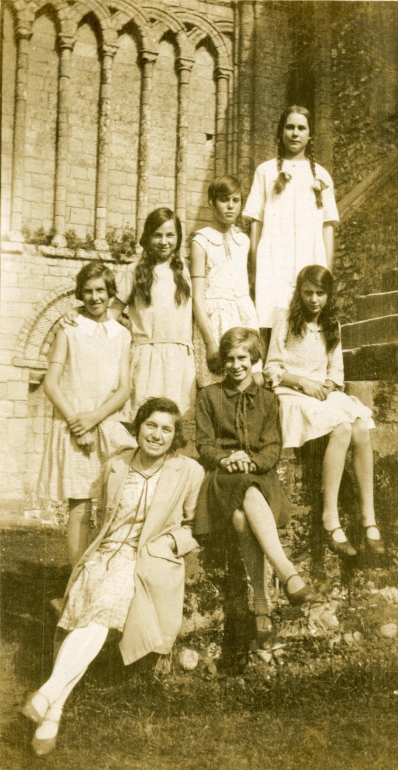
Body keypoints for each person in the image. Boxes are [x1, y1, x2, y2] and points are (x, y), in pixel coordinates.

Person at [22, 398, 204, 757]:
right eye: (151, 425)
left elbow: (194, 526)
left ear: (175, 436)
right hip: (104, 554)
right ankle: (52, 711)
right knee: (82, 620)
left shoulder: (189, 471)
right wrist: (90, 559)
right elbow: (100, 517)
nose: (157, 434)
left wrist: (168, 543)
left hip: (143, 559)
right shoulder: (116, 464)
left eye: (166, 429)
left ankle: (46, 695)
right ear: (138, 427)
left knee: (101, 613)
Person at [195, 327, 316, 647]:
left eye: (243, 358)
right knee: (243, 494)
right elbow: (204, 445)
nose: (236, 365)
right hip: (221, 479)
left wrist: (251, 462)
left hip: (259, 477)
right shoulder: (209, 396)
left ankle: (260, 603)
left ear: (254, 359)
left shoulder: (267, 400)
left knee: (241, 517)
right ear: (222, 362)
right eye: (230, 359)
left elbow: (273, 449)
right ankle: (287, 572)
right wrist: (226, 460)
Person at [264, 266, 385, 557]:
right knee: (342, 428)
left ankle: (369, 516)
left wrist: (327, 387)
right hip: (292, 393)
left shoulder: (332, 324)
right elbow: (272, 368)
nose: (314, 299)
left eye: (320, 293)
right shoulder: (285, 319)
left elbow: (336, 371)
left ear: (329, 295)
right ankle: (330, 517)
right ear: (299, 292)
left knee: (359, 426)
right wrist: (303, 382)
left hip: (322, 393)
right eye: (308, 292)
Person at [38, 261, 135, 566]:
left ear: (110, 294)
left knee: (117, 499)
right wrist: (78, 423)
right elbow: (50, 384)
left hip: (106, 423)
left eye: (101, 291)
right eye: (88, 291)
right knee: (80, 506)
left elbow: (123, 389)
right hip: (75, 426)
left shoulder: (122, 334)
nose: (95, 297)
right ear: (80, 293)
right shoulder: (69, 328)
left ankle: (105, 572)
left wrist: (96, 417)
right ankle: (76, 580)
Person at [243, 105, 339, 340]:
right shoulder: (265, 171)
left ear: (309, 135)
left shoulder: (321, 176)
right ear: (281, 131)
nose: (295, 133)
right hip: (273, 261)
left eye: (301, 128)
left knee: (307, 327)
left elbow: (327, 227)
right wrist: (255, 267)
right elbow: (255, 222)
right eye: (289, 127)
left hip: (309, 259)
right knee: (272, 323)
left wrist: (326, 272)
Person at [111, 207, 195, 419]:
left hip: (179, 359)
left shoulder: (188, 269)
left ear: (178, 237)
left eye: (170, 235)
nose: (164, 241)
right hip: (146, 357)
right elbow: (113, 312)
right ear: (147, 237)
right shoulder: (135, 269)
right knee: (144, 418)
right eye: (157, 235)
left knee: (176, 421)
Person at [190, 175, 262, 387]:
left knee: (253, 380)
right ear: (211, 202)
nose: (230, 206)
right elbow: (197, 298)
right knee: (218, 383)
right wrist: (211, 343)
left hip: (243, 316)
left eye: (236, 200)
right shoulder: (201, 241)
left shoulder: (243, 241)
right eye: (224, 200)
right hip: (214, 321)